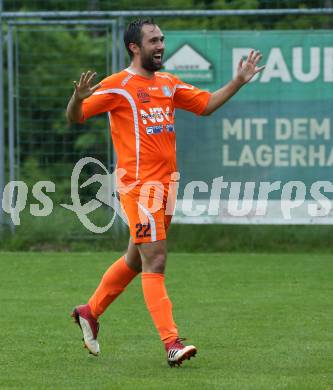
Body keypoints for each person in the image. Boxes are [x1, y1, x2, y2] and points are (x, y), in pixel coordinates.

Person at [66, 17, 264, 367]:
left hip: (166, 187)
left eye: (162, 40)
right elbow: (76, 117)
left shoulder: (168, 83)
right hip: (137, 187)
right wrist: (76, 99)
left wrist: (238, 81)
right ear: (134, 47)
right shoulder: (119, 85)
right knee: (155, 259)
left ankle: (89, 311)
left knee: (134, 260)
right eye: (153, 41)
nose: (160, 46)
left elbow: (206, 105)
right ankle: (172, 343)